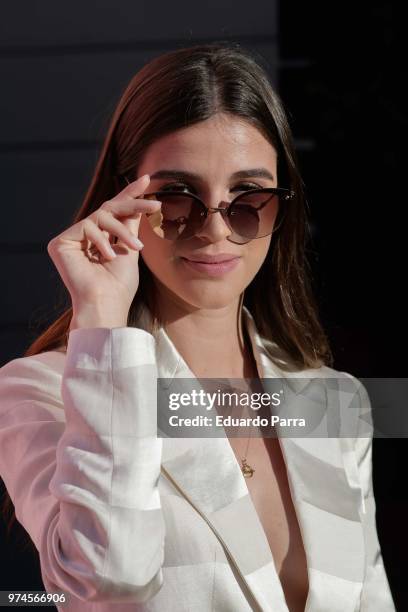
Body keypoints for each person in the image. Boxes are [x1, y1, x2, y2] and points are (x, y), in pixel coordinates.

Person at [0, 43, 395, 612]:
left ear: (281, 208)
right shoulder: (41, 392)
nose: (213, 230)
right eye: (177, 198)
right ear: (125, 200)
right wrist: (103, 323)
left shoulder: (335, 399)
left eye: (248, 198)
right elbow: (104, 582)